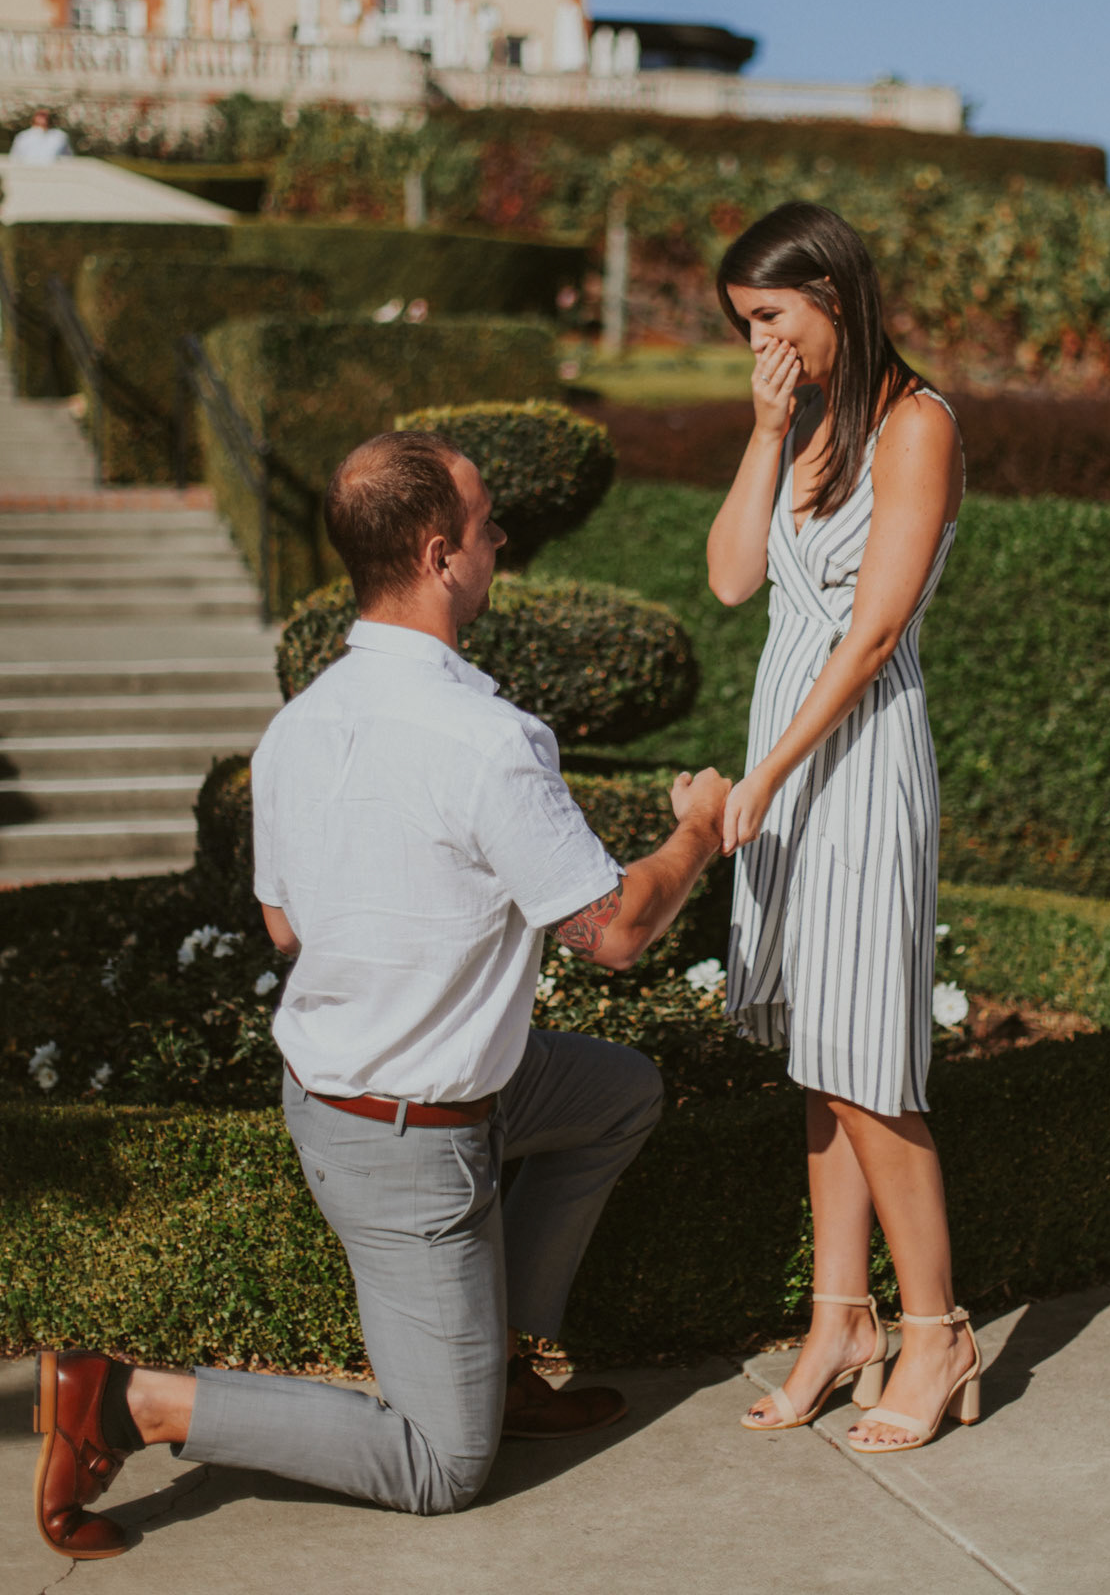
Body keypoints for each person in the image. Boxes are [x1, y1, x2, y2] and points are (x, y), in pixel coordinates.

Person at [34, 429, 731, 1562]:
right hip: (406, 1137)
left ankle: (501, 1357)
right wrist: (696, 828)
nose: (500, 545)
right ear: (439, 554)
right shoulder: (490, 740)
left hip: (358, 1091)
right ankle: (129, 1399)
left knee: (617, 1090)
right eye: (489, 526)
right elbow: (614, 930)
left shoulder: (298, 726)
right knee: (440, 1463)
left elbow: (283, 925)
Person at [706, 202, 981, 1455]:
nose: (759, 342)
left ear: (830, 292)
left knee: (870, 1063)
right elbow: (731, 577)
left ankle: (937, 1330)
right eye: (743, 325)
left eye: (770, 315)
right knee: (821, 1058)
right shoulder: (807, 421)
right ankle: (839, 1321)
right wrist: (766, 429)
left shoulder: (919, 425)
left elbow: (872, 635)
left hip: (859, 760)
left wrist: (768, 772)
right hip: (787, 752)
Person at [8, 108, 74, 164]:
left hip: (53, 171)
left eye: (45, 117)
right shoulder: (23, 136)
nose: (42, 119)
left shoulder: (60, 136)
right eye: (40, 116)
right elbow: (14, 157)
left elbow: (68, 158)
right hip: (28, 170)